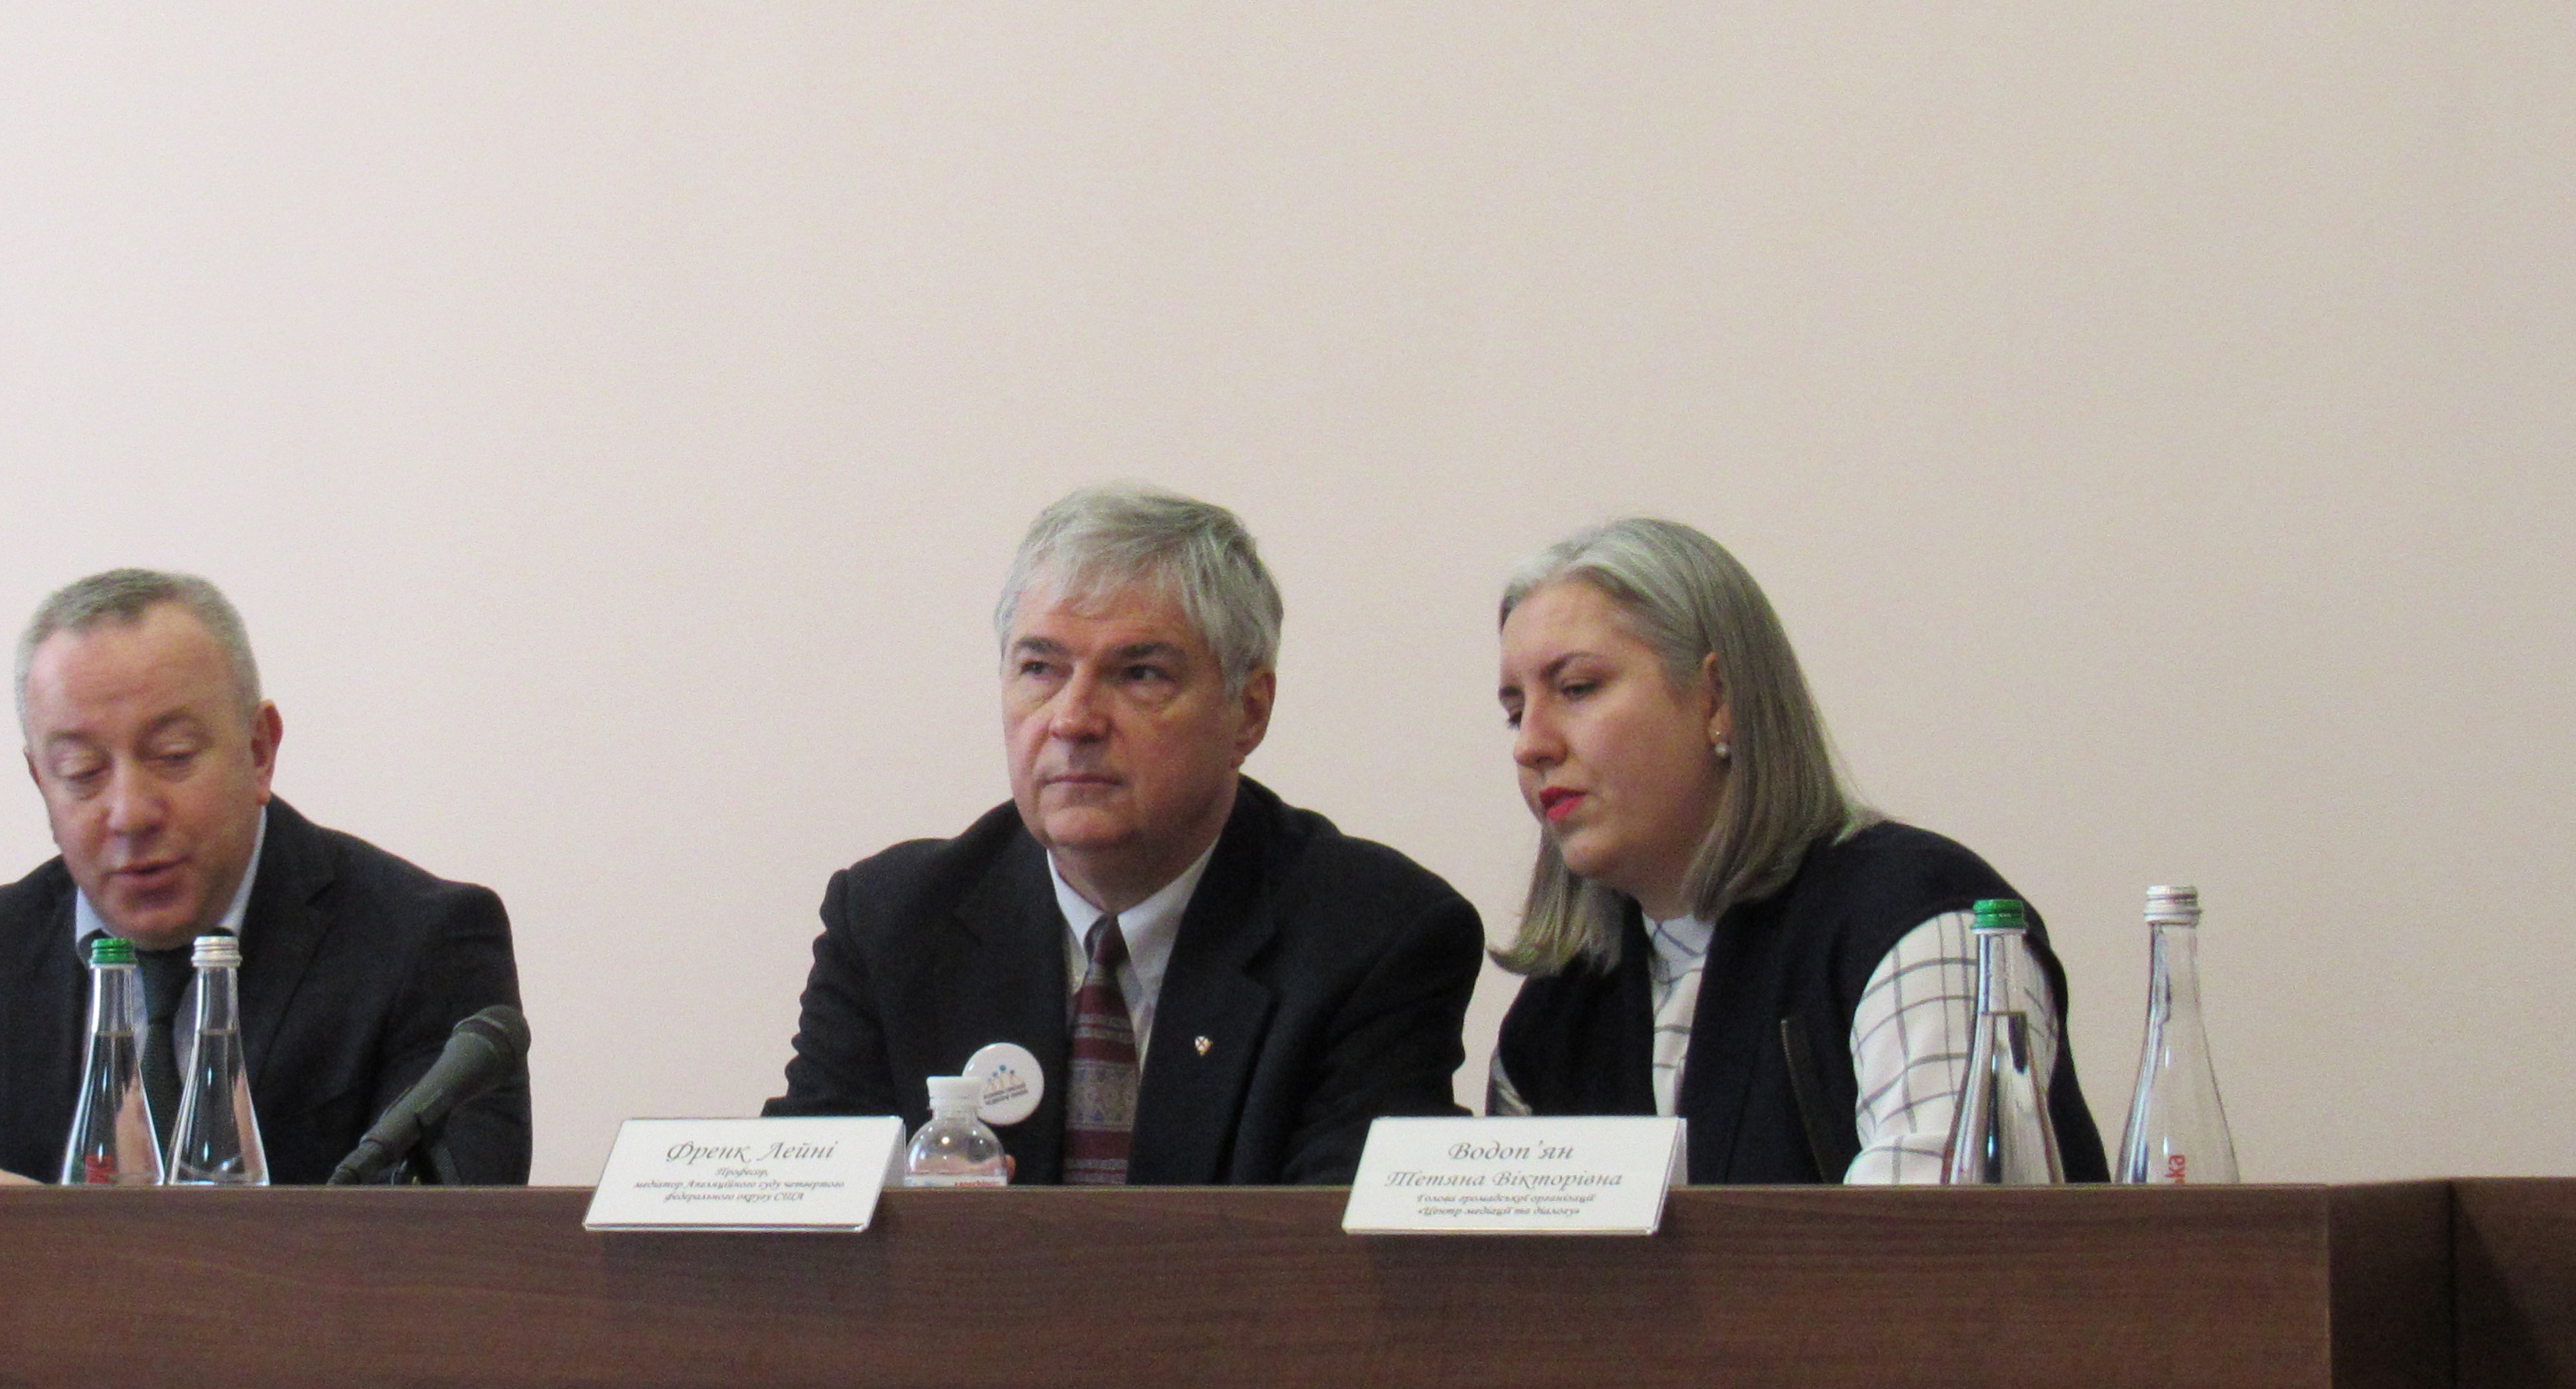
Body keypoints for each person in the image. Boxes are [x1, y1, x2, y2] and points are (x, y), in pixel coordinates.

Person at [766, 485, 1479, 1183]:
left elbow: (1335, 1240)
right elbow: (800, 1209)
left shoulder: (1372, 936)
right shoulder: (893, 922)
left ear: (1249, 712)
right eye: (1040, 668)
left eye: (1139, 674)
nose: (1073, 720)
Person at [0, 569, 529, 1183]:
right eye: (82, 772)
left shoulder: (420, 943)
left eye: (174, 756)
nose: (130, 813)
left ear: (259, 750)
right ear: (40, 781)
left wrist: (49, 1247)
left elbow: (445, 1251)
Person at [1485, 517, 2108, 1183]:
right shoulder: (1553, 1016)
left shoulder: (1912, 919)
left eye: (1577, 689)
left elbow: (1937, 1242)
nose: (1532, 744)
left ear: (1717, 698)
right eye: (1516, 712)